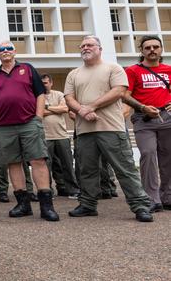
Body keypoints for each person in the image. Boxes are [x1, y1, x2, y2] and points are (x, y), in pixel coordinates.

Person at [64, 35, 153, 222]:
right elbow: (69, 98)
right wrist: (82, 109)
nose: (86, 48)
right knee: (87, 170)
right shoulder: (74, 73)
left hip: (111, 127)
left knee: (124, 169)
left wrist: (92, 106)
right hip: (84, 130)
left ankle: (140, 206)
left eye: (90, 45)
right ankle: (88, 204)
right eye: (83, 46)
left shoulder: (113, 68)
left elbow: (119, 91)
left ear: (99, 48)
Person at [0, 41, 59, 221]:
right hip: (4, 127)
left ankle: (46, 206)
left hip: (29, 123)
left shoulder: (27, 68)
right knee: (13, 162)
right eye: (1, 50)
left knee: (38, 160)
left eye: (8, 48)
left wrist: (38, 117)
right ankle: (23, 204)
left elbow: (40, 93)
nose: (5, 51)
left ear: (14, 52)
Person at [123, 35, 171, 212]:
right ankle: (151, 198)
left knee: (168, 157)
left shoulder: (168, 69)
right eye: (148, 47)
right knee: (148, 153)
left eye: (156, 47)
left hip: (167, 117)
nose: (152, 50)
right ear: (141, 51)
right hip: (144, 118)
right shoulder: (133, 70)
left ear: (161, 49)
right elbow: (125, 95)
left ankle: (167, 196)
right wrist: (143, 108)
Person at [41, 74, 80, 198]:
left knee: (67, 164)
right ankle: (48, 191)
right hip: (45, 137)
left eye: (46, 83)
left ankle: (72, 190)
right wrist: (55, 109)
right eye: (42, 83)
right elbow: (38, 111)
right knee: (46, 166)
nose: (44, 85)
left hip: (62, 135)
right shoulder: (37, 97)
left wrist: (47, 107)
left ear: (51, 83)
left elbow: (64, 109)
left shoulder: (58, 94)